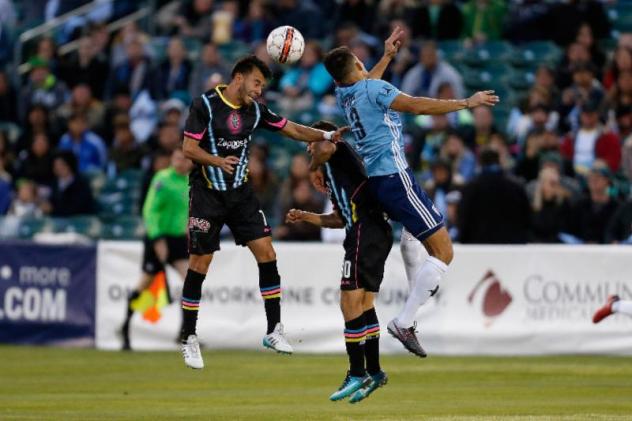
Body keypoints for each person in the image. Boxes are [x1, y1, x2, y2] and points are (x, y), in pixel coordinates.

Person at [322, 28, 498, 357]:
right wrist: (466, 103)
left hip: (378, 179)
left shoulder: (346, 94)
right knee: (444, 252)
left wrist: (387, 56)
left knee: (412, 237)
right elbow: (416, 105)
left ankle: (414, 297)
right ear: (359, 63)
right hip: (395, 176)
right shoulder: (375, 88)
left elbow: (363, 83)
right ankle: (405, 320)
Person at [180, 55, 347, 369]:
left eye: (262, 85)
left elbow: (291, 129)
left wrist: (324, 136)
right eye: (256, 83)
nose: (259, 90)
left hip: (241, 195)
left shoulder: (254, 112)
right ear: (239, 77)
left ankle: (273, 329)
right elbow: (188, 149)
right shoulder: (204, 104)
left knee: (267, 254)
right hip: (207, 194)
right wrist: (217, 161)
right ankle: (188, 336)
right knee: (200, 263)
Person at [285, 121, 391, 403]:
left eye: (310, 141)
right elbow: (339, 218)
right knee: (364, 304)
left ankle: (357, 372)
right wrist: (306, 216)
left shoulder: (336, 150)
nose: (309, 147)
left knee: (348, 302)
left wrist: (312, 168)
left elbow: (326, 146)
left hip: (365, 230)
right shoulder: (336, 172)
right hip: (368, 230)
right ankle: (375, 371)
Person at [121, 148, 193, 351]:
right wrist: (157, 239)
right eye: (178, 157)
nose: (181, 162)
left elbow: (188, 209)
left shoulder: (190, 181)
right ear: (172, 159)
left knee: (190, 282)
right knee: (145, 283)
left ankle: (185, 333)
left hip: (178, 239)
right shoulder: (162, 179)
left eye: (185, 159)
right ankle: (125, 328)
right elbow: (149, 210)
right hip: (158, 237)